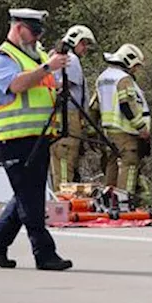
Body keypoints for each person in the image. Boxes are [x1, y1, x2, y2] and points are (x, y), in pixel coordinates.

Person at [0, 8, 73, 271]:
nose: (37, 37)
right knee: (31, 199)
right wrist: (47, 68)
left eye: (40, 32)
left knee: (27, 195)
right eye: (33, 31)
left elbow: (43, 84)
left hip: (37, 137)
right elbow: (16, 85)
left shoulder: (36, 55)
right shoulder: (3, 58)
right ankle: (44, 253)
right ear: (18, 27)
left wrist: (55, 78)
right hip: (14, 138)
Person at [94, 44, 149, 199]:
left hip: (108, 131)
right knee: (129, 165)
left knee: (111, 165)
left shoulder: (103, 78)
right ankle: (124, 200)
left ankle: (108, 200)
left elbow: (94, 106)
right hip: (125, 131)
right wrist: (141, 127)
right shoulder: (123, 79)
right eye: (136, 66)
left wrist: (92, 131)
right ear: (128, 60)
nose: (135, 70)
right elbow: (127, 105)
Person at [49, 24, 96, 189]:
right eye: (83, 44)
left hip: (59, 120)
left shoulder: (54, 56)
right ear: (74, 41)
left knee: (63, 165)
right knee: (65, 165)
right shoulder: (71, 59)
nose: (85, 49)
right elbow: (64, 87)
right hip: (68, 119)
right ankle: (63, 205)